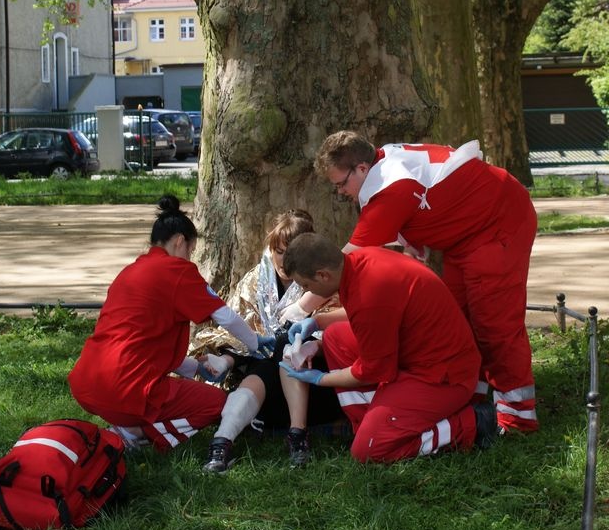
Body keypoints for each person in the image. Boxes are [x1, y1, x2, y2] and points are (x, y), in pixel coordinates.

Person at [285, 132, 538, 435]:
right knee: (460, 317)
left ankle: (517, 418)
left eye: (341, 183)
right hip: (466, 235)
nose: (340, 192)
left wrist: (297, 310)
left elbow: (341, 265)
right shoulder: (383, 166)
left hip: (497, 223)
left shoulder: (391, 189)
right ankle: (472, 397)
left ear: (362, 169)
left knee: (494, 323)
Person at [68, 195, 274, 453]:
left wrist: (195, 368)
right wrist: (255, 342)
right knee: (215, 404)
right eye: (190, 250)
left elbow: (144, 341)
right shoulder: (178, 271)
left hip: (88, 384)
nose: (190, 258)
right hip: (127, 389)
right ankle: (135, 433)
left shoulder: (129, 272)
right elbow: (226, 317)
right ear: (179, 242)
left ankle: (127, 426)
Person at [280, 233, 498, 463]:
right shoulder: (358, 261)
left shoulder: (368, 293)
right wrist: (318, 324)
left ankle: (470, 423)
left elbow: (372, 371)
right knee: (334, 337)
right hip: (426, 356)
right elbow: (369, 313)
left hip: (442, 376)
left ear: (323, 275)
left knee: (368, 451)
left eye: (305, 285)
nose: (306, 291)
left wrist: (319, 379)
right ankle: (374, 424)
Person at [191, 210, 345, 474]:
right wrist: (227, 357)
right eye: (279, 251)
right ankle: (227, 441)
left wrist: (305, 341)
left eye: (291, 252)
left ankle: (229, 438)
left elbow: (335, 335)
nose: (283, 261)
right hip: (264, 390)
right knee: (271, 358)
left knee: (286, 348)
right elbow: (240, 331)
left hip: (314, 385)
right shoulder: (255, 279)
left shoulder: (323, 278)